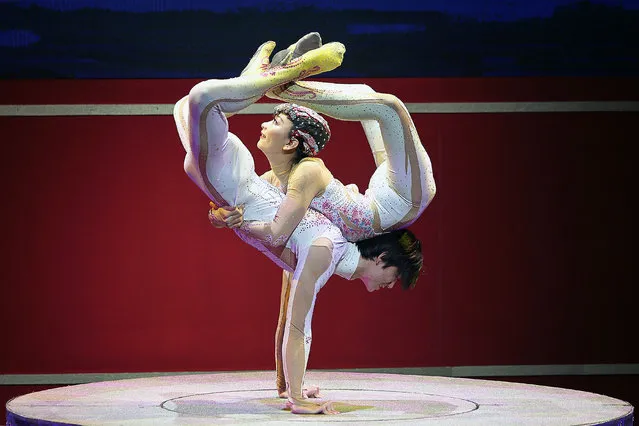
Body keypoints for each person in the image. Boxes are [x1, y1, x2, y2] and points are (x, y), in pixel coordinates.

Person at [174, 38, 423, 415]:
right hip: (235, 177)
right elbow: (297, 320)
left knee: (197, 101)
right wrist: (298, 398)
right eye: (393, 279)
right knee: (198, 99)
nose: (385, 288)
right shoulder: (327, 238)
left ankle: (270, 78)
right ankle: (282, 78)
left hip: (232, 181)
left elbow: (288, 310)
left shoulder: (324, 234)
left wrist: (289, 387)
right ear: (385, 257)